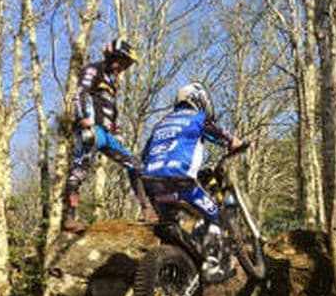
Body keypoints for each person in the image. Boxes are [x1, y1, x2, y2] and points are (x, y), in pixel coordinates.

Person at [140, 82, 243, 282]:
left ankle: (173, 270)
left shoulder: (160, 124)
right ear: (200, 100)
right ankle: (212, 264)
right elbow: (222, 135)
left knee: (171, 226)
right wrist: (235, 142)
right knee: (216, 215)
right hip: (180, 180)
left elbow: (144, 155)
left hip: (151, 183)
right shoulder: (198, 118)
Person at [63, 38, 156, 232]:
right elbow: (79, 93)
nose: (123, 67)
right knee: (79, 171)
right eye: (121, 61)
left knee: (135, 164)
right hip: (90, 130)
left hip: (106, 134)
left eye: (126, 64)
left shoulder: (113, 83)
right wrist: (82, 118)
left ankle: (147, 210)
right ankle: (70, 218)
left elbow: (112, 112)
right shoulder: (92, 69)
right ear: (112, 56)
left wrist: (117, 131)